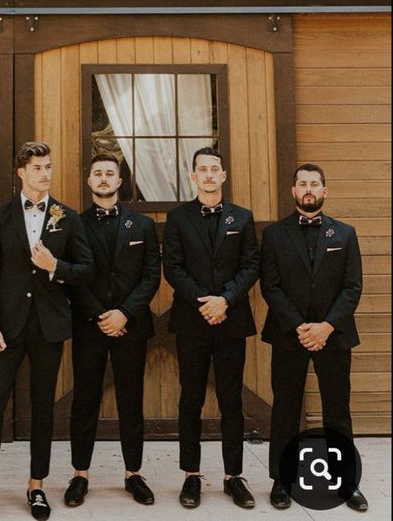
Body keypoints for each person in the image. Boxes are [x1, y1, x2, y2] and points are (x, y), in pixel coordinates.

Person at [0, 141, 94, 521]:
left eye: (48, 167)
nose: (45, 173)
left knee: (42, 408)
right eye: (37, 168)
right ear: (21, 173)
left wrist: (56, 266)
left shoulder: (67, 217)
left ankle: (36, 486)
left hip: (48, 327)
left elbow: (86, 270)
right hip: (4, 327)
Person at [260, 163, 367, 511]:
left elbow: (352, 287)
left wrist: (326, 327)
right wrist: (299, 327)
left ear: (325, 190)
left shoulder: (345, 234)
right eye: (302, 183)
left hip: (333, 336)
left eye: (314, 184)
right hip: (289, 334)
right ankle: (281, 479)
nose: (308, 189)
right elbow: (271, 286)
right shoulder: (274, 235)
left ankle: (345, 481)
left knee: (338, 409)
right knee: (286, 409)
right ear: (293, 192)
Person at [163, 146, 259, 510]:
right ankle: (191, 475)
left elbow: (251, 266)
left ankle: (234, 476)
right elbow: (173, 268)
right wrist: (205, 301)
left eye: (213, 169)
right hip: (193, 321)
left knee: (231, 402)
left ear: (223, 175)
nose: (207, 174)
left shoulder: (243, 218)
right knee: (191, 400)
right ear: (193, 176)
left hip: (231, 321)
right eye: (201, 169)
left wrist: (226, 300)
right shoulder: (178, 219)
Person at [65, 154, 161, 508]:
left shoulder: (143, 226)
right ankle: (79, 474)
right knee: (84, 400)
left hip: (131, 326)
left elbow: (152, 276)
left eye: (110, 174)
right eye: (98, 174)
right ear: (89, 182)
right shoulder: (74, 224)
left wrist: (123, 313)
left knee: (131, 400)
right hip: (90, 325)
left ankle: (133, 473)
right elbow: (73, 277)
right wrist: (99, 315)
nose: (104, 179)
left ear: (120, 182)